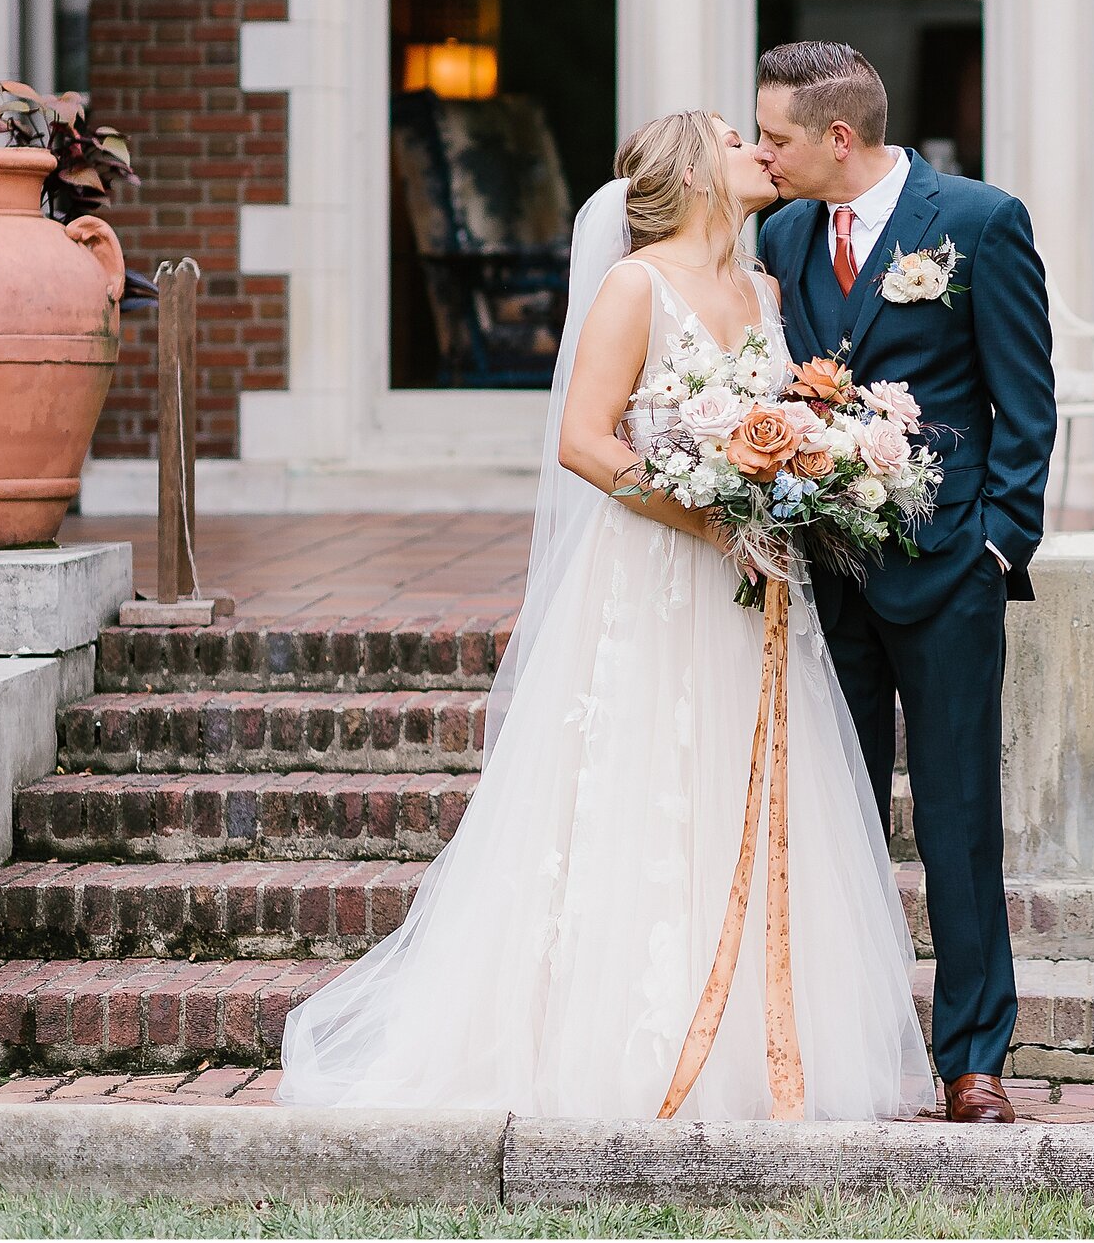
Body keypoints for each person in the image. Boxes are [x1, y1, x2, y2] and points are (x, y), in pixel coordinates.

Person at [276, 110, 933, 1120]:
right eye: (733, 137)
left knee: (738, 792)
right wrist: (709, 516)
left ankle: (746, 1048)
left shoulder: (764, 289)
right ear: (690, 170)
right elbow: (584, 440)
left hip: (754, 589)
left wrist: (808, 470)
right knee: (641, 791)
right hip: (653, 580)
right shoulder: (636, 286)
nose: (760, 150)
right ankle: (619, 1045)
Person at [753, 41, 1058, 1125]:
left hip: (946, 573)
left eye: (775, 137)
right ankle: (839, 1047)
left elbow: (1025, 399)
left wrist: (997, 544)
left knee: (959, 818)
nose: (761, 155)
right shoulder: (782, 233)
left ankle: (972, 1057)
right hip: (822, 572)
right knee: (832, 817)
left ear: (838, 137)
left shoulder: (977, 221)